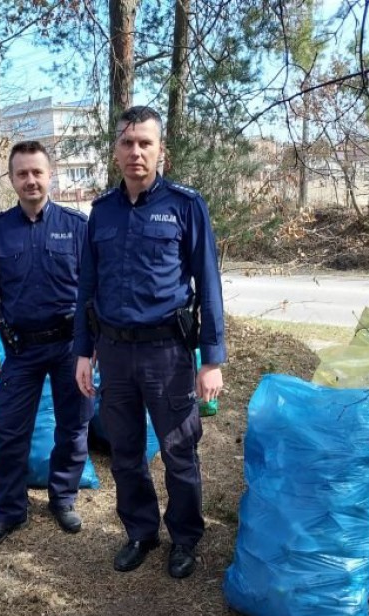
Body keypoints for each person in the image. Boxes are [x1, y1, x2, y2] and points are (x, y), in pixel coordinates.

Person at [73, 105, 227, 579]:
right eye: (127, 142)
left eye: (145, 143)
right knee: (124, 450)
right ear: (116, 151)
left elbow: (208, 283)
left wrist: (211, 358)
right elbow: (87, 286)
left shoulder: (184, 205)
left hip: (167, 353)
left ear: (162, 151)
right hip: (115, 354)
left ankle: (184, 538)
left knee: (179, 450)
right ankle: (140, 531)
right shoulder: (100, 212)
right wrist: (84, 350)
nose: (136, 151)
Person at [0, 140, 94, 547]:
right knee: (6, 427)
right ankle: (10, 511)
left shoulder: (78, 227)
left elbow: (93, 293)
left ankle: (63, 498)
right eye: (22, 173)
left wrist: (90, 348)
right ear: (11, 179)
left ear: (50, 175)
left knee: (73, 425)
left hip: (69, 348)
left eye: (37, 172)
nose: (30, 180)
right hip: (20, 350)